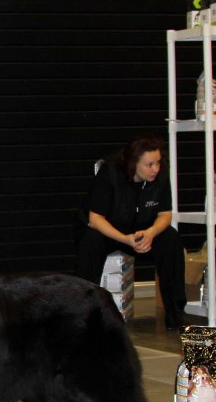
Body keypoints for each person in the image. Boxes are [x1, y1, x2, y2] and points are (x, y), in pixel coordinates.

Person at [75, 135, 187, 329]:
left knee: (170, 238)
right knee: (91, 240)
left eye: (158, 163)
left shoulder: (160, 175)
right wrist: (125, 239)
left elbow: (165, 214)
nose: (155, 169)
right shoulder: (109, 172)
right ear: (134, 163)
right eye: (149, 164)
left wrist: (151, 232)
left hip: (141, 231)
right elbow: (95, 219)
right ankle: (83, 312)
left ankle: (175, 311)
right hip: (110, 231)